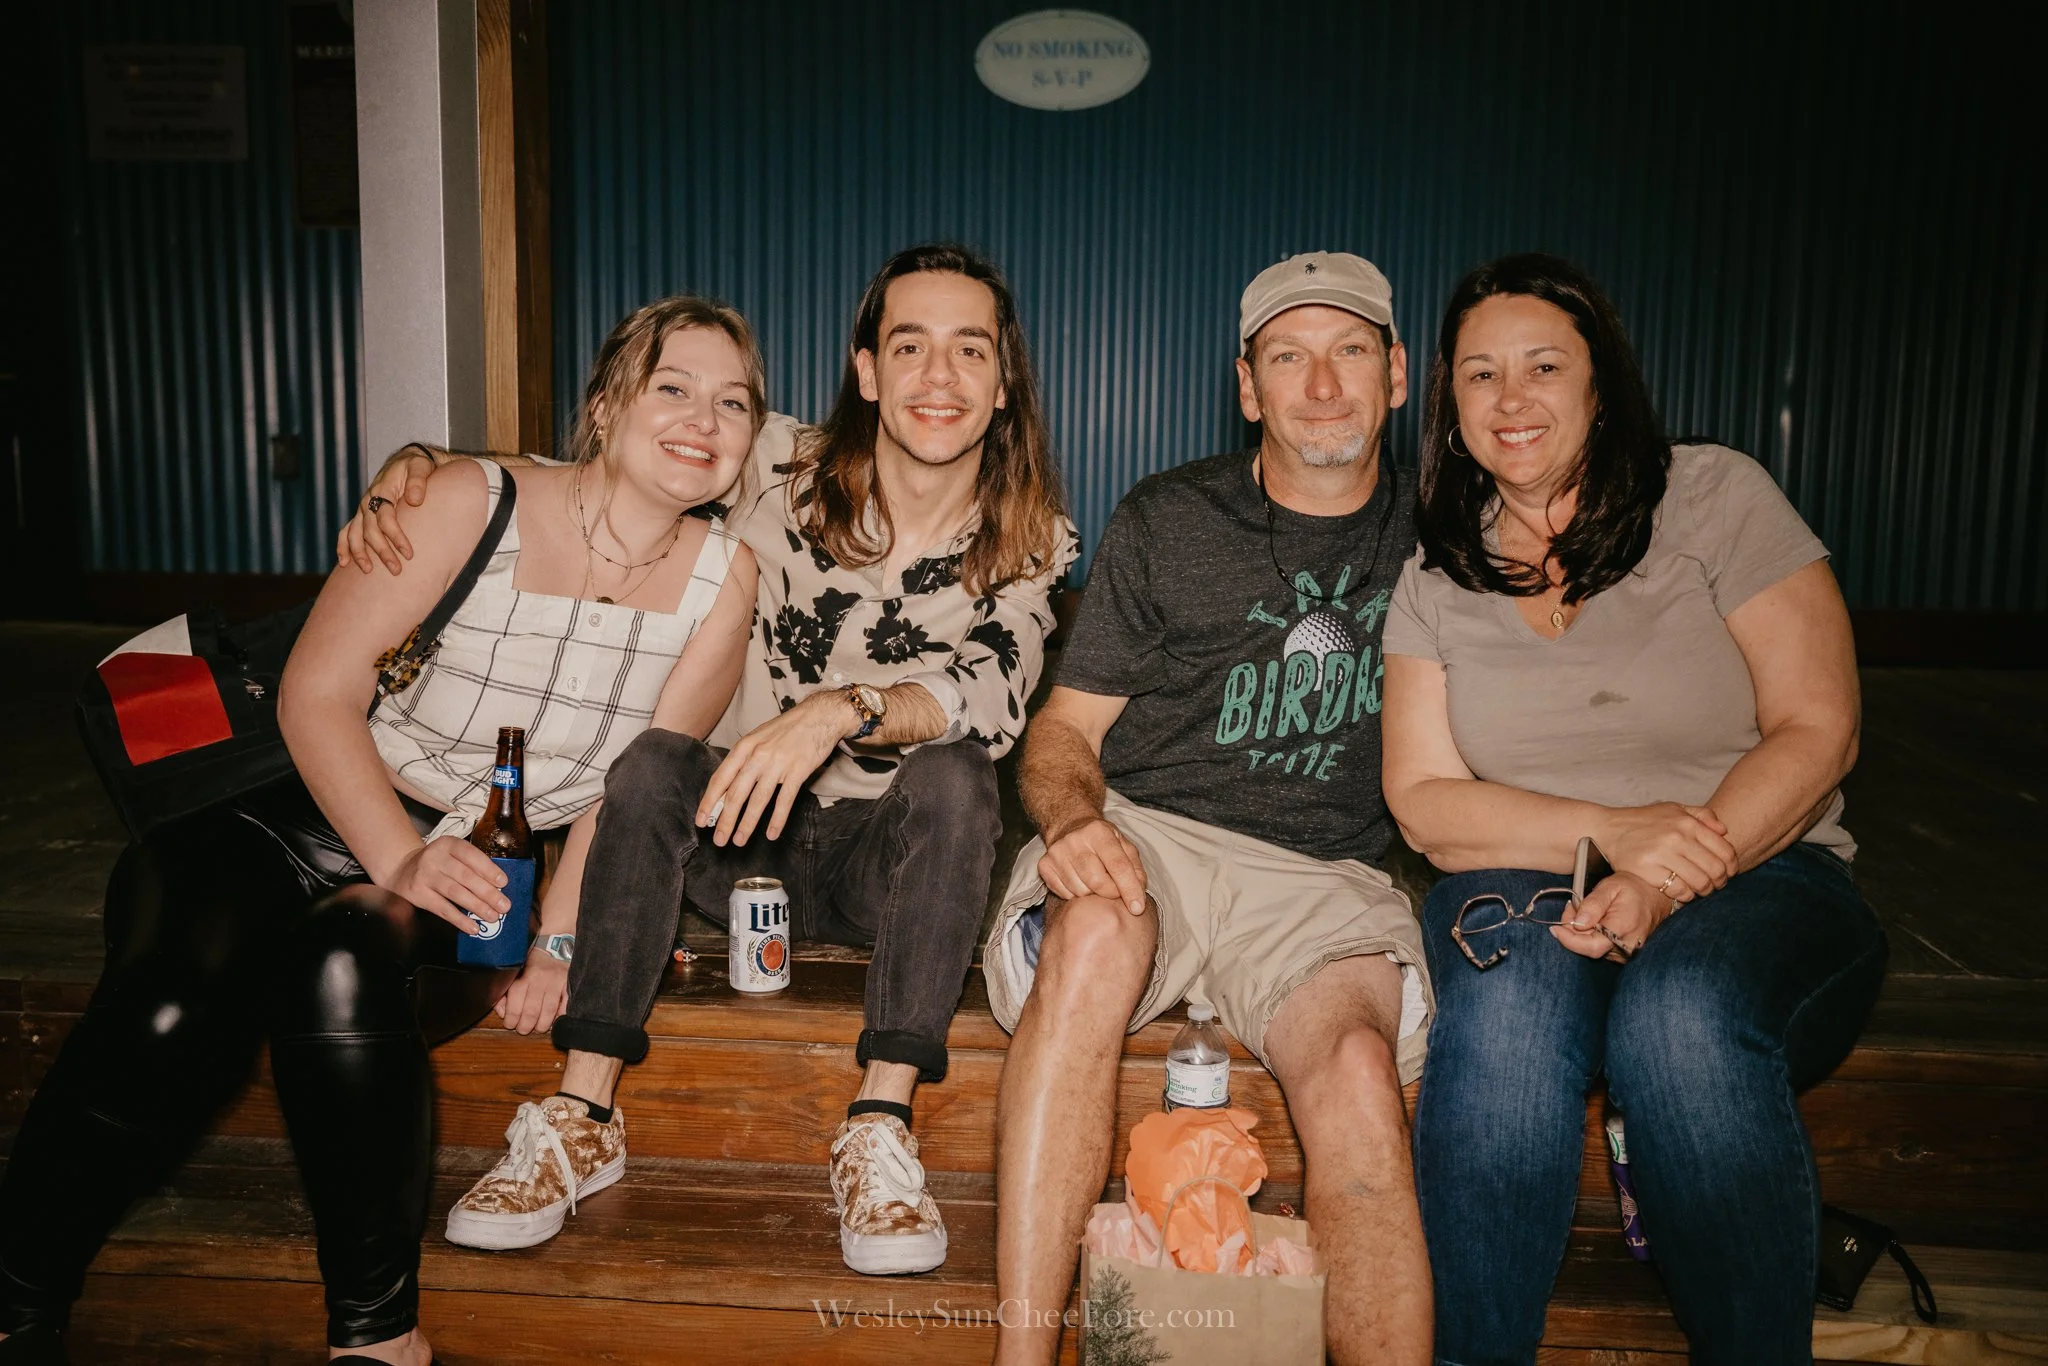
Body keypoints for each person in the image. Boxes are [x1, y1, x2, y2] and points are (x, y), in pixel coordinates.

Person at [0, 295, 762, 1366]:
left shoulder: (724, 585)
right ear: (604, 407)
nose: (702, 417)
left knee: (345, 967)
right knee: (170, 1005)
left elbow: (633, 791)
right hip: (284, 815)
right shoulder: (462, 500)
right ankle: (19, 1305)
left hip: (476, 868)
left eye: (732, 401)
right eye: (671, 386)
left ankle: (376, 1336)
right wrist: (399, 854)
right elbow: (315, 692)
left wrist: (556, 936)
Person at [339, 243, 1078, 1276]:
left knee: (957, 776)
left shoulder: (1031, 537)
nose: (938, 377)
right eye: (909, 345)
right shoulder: (779, 462)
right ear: (866, 370)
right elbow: (623, 450)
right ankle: (582, 1108)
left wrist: (838, 708)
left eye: (969, 350)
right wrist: (421, 463)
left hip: (891, 865)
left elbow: (991, 701)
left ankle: (878, 1122)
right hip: (733, 842)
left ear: (1002, 385)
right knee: (650, 757)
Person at [1380, 253, 1886, 1366]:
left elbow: (1818, 727)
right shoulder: (1435, 575)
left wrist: (1662, 875)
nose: (1510, 400)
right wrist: (1610, 836)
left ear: (1600, 382)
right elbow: (1422, 803)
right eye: (1478, 375)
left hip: (1762, 870)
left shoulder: (1711, 494)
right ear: (1449, 408)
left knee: (1680, 1020)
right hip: (1529, 878)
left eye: (1542, 366)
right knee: (1504, 1023)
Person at [982, 252, 1435, 1365]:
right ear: (1246, 386)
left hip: (1322, 876)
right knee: (1087, 938)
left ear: (1397, 375)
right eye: (1288, 356)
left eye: (1349, 351)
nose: (1320, 385)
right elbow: (1062, 732)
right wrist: (1074, 822)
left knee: (1359, 1076)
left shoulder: (1453, 536)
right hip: (1151, 833)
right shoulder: (1169, 517)